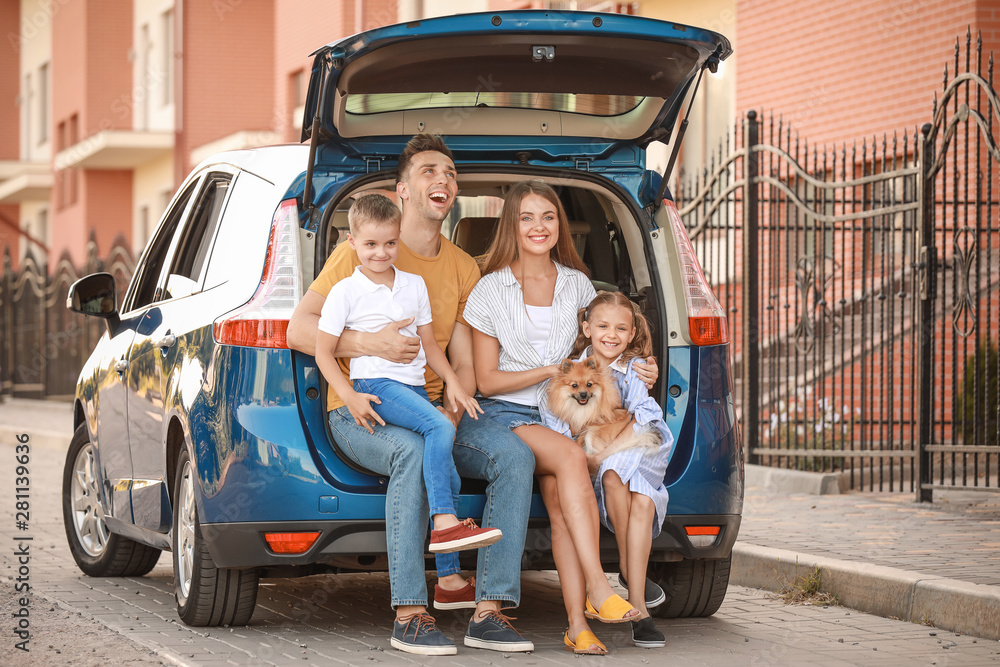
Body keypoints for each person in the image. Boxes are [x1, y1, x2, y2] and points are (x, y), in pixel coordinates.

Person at [287, 134, 535, 656]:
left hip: (431, 405)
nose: (442, 178)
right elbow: (300, 330)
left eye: (449, 171)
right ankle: (410, 614)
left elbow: (460, 353)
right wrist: (367, 343)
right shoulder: (355, 257)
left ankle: (489, 610)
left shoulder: (463, 267)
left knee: (513, 455)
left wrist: (456, 394)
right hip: (365, 409)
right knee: (413, 450)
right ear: (402, 190)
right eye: (427, 170)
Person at [463, 180, 658, 655]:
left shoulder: (577, 284)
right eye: (527, 217)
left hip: (568, 416)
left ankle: (577, 626)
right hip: (509, 412)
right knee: (570, 460)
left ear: (559, 225)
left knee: (557, 503)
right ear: (512, 223)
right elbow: (486, 381)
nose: (538, 226)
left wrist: (641, 364)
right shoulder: (490, 289)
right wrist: (549, 370)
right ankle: (598, 587)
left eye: (547, 217)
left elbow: (601, 347)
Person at [314, 193, 500, 555]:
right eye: (370, 244)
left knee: (447, 468)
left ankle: (449, 581)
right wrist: (349, 396)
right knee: (441, 426)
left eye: (389, 243)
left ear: (400, 238)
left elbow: (430, 345)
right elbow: (323, 351)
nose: (381, 253)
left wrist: (454, 383)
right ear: (352, 243)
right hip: (376, 385)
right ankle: (446, 523)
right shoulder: (345, 291)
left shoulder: (414, 284)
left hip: (414, 387)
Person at [545, 291, 674, 648]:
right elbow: (562, 425)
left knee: (640, 497)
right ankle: (637, 594)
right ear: (586, 328)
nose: (611, 335)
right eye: (603, 326)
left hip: (635, 447)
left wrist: (606, 451)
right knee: (618, 481)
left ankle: (635, 596)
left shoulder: (633, 369)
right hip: (604, 456)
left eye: (620, 328)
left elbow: (646, 421)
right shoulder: (570, 367)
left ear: (631, 334)